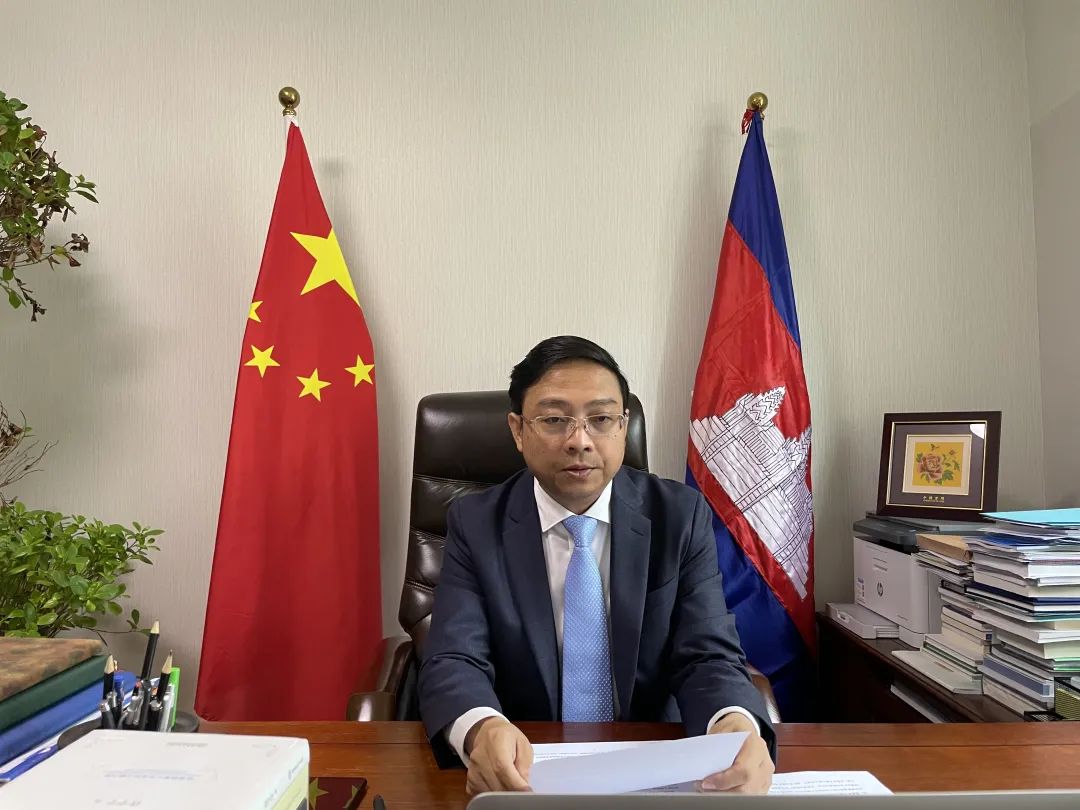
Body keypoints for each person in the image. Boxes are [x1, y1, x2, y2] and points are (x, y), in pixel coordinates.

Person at [418, 336, 775, 795]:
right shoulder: (476, 522)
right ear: (518, 430)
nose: (580, 441)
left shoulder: (679, 516)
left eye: (601, 420)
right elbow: (454, 657)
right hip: (526, 769)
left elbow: (707, 655)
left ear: (624, 428)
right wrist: (481, 729)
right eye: (554, 420)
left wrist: (732, 723)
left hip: (655, 766)